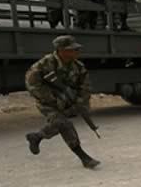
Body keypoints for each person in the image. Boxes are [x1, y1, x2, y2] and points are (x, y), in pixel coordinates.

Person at [25, 35, 100, 169]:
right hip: (47, 102)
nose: (76, 52)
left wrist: (80, 102)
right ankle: (84, 158)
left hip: (68, 102)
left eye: (76, 49)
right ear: (61, 50)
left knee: (62, 124)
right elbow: (32, 84)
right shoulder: (44, 64)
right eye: (72, 49)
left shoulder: (78, 66)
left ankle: (37, 136)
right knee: (63, 123)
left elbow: (85, 87)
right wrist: (53, 99)